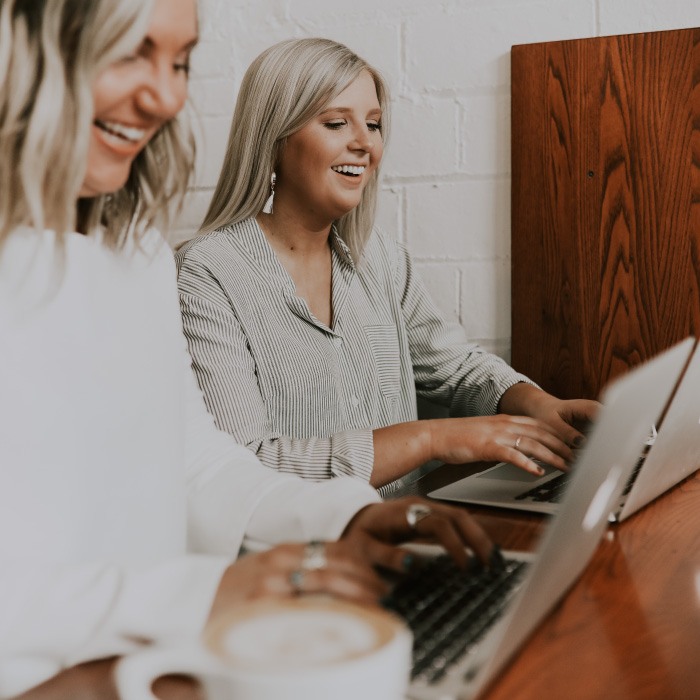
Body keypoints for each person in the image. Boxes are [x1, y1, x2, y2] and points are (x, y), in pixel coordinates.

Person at [0, 3, 495, 697]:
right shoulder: (201, 268)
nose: (166, 96)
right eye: (129, 53)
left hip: (151, 663)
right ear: (27, 45)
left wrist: (345, 515)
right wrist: (202, 595)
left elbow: (197, 462)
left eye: (180, 62)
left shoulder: (135, 253)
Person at [176, 38, 599, 490]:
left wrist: (538, 404)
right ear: (274, 139)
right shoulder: (206, 273)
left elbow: (454, 368)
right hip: (301, 552)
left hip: (407, 537)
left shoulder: (380, 260)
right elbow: (244, 468)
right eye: (337, 123)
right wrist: (431, 438)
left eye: (374, 125)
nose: (365, 144)